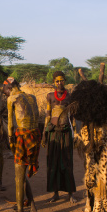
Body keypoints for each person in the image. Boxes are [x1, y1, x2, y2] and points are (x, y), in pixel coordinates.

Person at [3, 77, 41, 212]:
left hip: (23, 137)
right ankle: (33, 209)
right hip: (35, 137)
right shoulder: (32, 97)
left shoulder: (12, 98)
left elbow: (11, 125)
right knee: (23, 174)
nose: (5, 94)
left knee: (19, 176)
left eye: (5, 91)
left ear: (9, 87)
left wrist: (11, 141)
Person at [42, 71, 77, 204]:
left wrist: (74, 133)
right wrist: (44, 134)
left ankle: (70, 194)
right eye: (57, 81)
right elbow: (48, 115)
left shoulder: (70, 97)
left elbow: (72, 117)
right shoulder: (50, 96)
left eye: (61, 80)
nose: (59, 83)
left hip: (66, 132)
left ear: (65, 81)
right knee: (53, 163)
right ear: (54, 82)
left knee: (67, 163)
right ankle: (55, 193)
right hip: (53, 132)